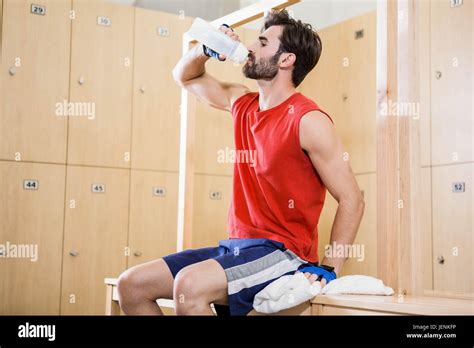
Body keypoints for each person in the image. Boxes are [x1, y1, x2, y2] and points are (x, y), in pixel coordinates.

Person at [117, 9, 364, 316]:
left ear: (286, 60)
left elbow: (352, 197)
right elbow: (184, 76)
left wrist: (329, 268)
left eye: (262, 43)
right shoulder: (241, 103)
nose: (250, 48)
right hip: (237, 247)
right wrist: (206, 49)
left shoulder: (308, 120)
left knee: (189, 286)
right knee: (131, 285)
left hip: (284, 253)